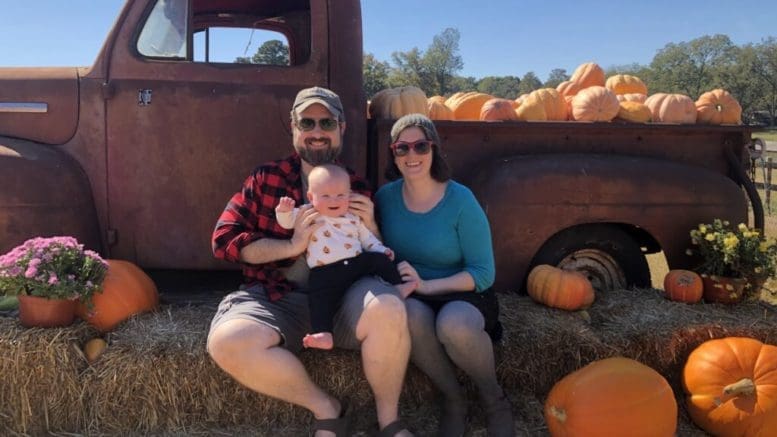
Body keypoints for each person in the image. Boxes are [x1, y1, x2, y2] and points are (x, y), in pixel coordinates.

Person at [207, 86, 413, 437]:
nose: (317, 131)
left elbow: (377, 252)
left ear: (342, 128)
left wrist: (374, 225)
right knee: (227, 342)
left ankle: (389, 422)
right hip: (278, 297)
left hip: (344, 300)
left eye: (326, 122)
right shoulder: (265, 180)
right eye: (307, 122)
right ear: (294, 128)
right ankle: (328, 409)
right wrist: (291, 245)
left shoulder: (356, 186)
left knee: (390, 309)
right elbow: (222, 240)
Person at [375, 114, 515, 437]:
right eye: (402, 148)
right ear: (393, 155)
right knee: (403, 314)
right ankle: (454, 399)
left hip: (463, 291)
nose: (412, 156)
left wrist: (427, 284)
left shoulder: (460, 200)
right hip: (416, 294)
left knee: (453, 326)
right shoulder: (385, 199)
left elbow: (483, 272)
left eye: (420, 146)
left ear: (434, 149)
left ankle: (494, 398)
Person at [275, 163, 415, 350]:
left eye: (341, 195)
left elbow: (367, 239)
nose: (334, 200)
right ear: (311, 197)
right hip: (324, 272)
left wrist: (382, 250)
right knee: (318, 299)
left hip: (355, 264)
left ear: (349, 194)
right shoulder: (308, 213)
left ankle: (397, 286)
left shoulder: (353, 217)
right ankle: (324, 334)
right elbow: (286, 222)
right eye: (325, 196)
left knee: (378, 259)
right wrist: (283, 211)